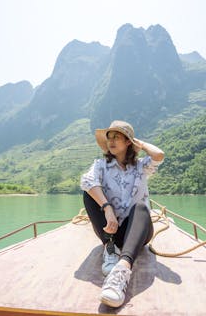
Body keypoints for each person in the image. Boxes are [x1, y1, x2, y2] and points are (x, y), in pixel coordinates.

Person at [80, 120, 164, 308]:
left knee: (141, 208)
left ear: (128, 142)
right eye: (109, 137)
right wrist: (107, 208)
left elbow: (159, 155)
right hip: (110, 229)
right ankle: (110, 248)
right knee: (89, 192)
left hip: (135, 232)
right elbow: (87, 181)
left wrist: (138, 143)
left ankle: (122, 269)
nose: (111, 140)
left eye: (117, 136)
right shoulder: (100, 165)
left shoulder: (141, 167)